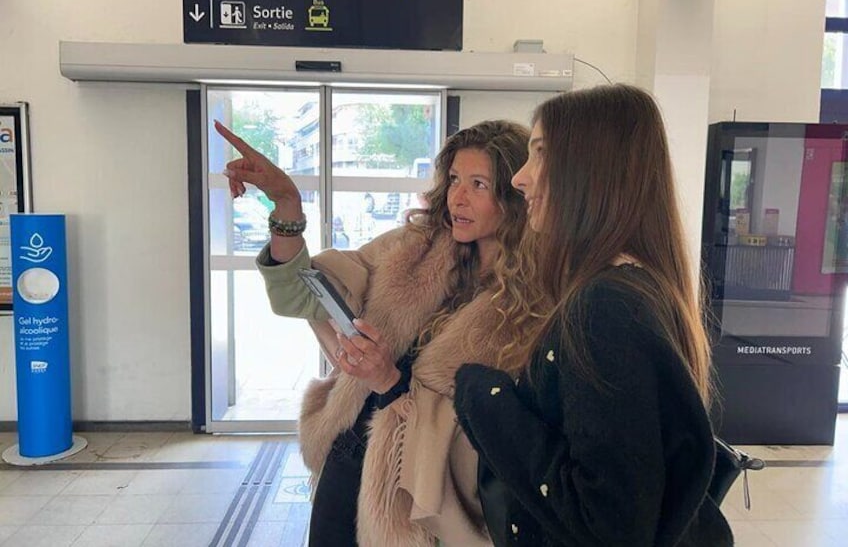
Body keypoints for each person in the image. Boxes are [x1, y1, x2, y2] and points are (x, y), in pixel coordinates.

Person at [215, 119, 531, 546]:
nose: (458, 197)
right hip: (349, 456)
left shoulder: (532, 302)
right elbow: (298, 295)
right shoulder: (412, 249)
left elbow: (501, 432)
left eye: (479, 184)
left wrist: (390, 382)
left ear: (516, 196)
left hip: (421, 499)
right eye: (455, 179)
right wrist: (287, 202)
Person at [454, 85, 734, 546]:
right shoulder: (636, 286)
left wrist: (484, 395)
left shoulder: (606, 307)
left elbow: (607, 524)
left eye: (541, 153)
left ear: (591, 170)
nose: (521, 178)